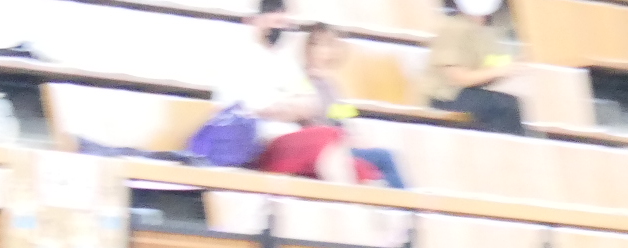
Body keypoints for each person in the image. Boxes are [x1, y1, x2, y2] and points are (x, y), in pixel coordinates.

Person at [209, 18, 406, 187]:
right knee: (384, 158)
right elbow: (302, 117)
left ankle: (402, 205)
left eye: (327, 45)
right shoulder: (300, 79)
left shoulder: (332, 86)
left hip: (341, 143)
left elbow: (346, 120)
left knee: (382, 157)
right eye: (316, 44)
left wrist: (355, 136)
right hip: (321, 146)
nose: (322, 51)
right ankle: (406, 206)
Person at [425, 0, 526, 136]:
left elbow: (481, 74)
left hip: (461, 93)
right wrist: (499, 71)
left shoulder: (480, 32)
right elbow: (458, 78)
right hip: (442, 96)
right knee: (505, 106)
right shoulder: (453, 28)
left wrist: (509, 68)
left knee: (506, 105)